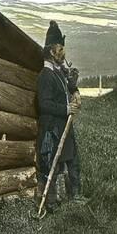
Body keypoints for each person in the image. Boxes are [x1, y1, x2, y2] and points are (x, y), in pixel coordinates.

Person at [36, 20, 88, 211]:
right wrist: (66, 109)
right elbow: (44, 104)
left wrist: (73, 87)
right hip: (52, 128)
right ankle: (51, 203)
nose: (63, 53)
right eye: (60, 49)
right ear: (52, 51)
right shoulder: (45, 76)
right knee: (52, 165)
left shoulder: (58, 73)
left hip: (64, 125)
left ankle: (76, 196)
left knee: (73, 159)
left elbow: (67, 83)